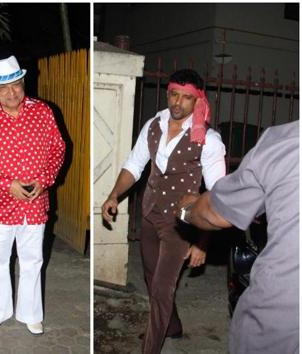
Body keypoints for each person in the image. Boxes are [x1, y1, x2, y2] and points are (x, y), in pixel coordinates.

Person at [100, 68, 226, 353]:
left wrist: (201, 243)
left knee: (161, 290)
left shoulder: (209, 140)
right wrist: (113, 195)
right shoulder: (154, 124)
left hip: (182, 225)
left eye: (186, 97)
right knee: (149, 275)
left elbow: (217, 198)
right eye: (174, 94)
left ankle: (151, 346)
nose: (178, 102)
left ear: (198, 101)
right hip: (150, 213)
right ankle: (173, 325)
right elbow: (134, 165)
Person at [176, 120, 299, 354]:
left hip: (280, 322)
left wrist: (187, 212)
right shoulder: (156, 127)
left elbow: (216, 212)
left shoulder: (287, 142)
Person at [0, 55, 66, 335]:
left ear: (23, 83)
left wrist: (45, 180)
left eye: (16, 85)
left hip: (35, 204)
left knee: (32, 259)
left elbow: (58, 150)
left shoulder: (44, 112)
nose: (11, 92)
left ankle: (30, 313)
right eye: (4, 88)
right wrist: (7, 185)